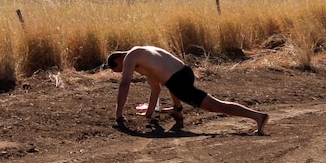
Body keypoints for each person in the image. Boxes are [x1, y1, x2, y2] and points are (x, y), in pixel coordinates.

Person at [107, 46, 269, 135]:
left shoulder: (130, 57)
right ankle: (177, 110)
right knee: (170, 84)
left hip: (177, 80)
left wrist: (118, 115)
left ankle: (257, 116)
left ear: (118, 59)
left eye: (119, 69)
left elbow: (124, 85)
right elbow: (156, 88)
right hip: (184, 72)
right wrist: (149, 113)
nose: (123, 71)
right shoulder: (145, 54)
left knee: (216, 105)